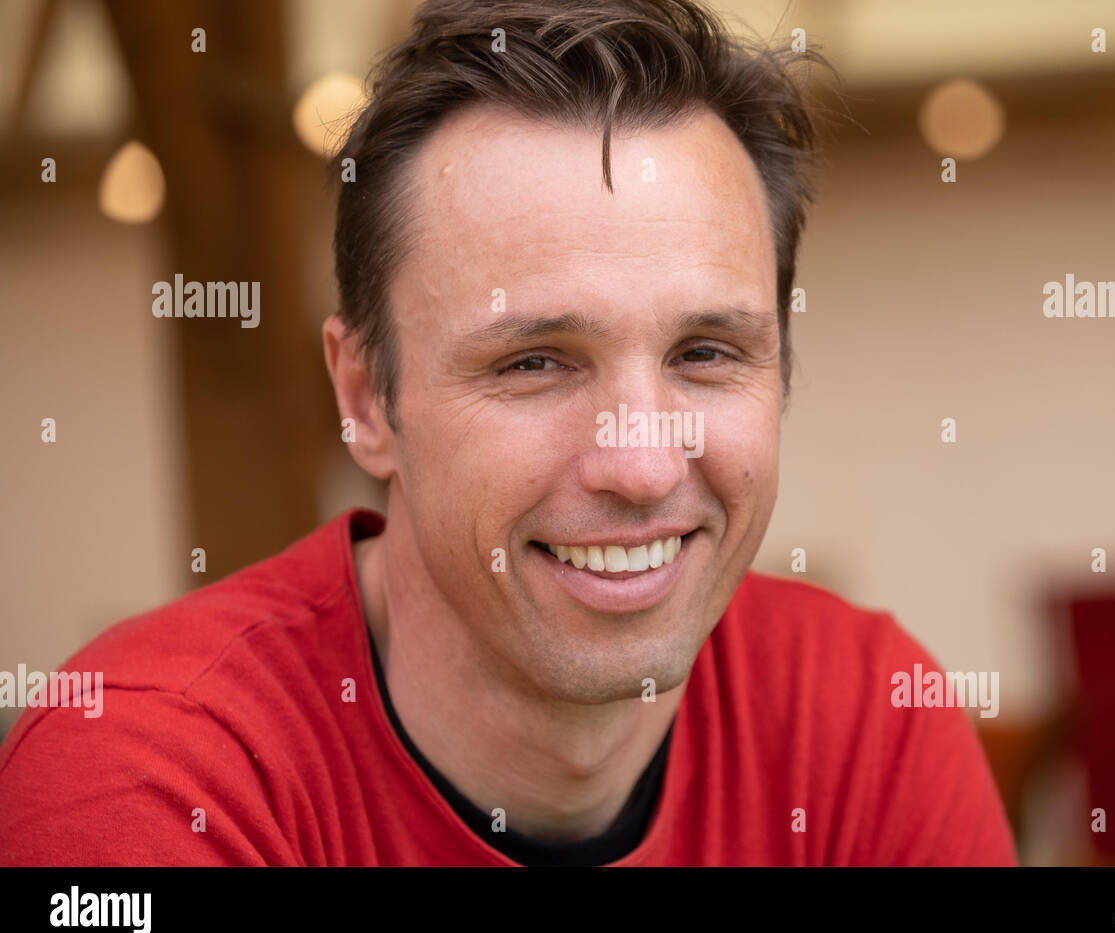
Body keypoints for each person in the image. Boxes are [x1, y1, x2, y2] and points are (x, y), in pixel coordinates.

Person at [0, 0, 1016, 866]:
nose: (640, 462)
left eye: (706, 351)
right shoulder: (149, 782)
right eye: (534, 362)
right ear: (364, 398)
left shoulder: (867, 728)